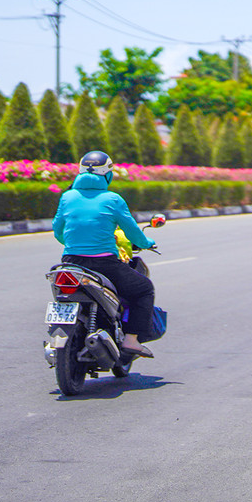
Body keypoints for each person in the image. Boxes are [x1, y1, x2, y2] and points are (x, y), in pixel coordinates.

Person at [52, 150, 158, 357]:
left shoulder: (67, 196)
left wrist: (74, 243)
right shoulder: (113, 199)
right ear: (108, 174)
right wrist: (147, 242)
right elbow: (133, 232)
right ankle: (132, 340)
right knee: (144, 289)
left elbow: (58, 231)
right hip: (105, 265)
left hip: (70, 262)